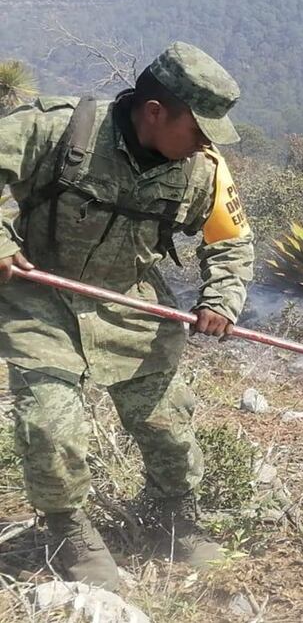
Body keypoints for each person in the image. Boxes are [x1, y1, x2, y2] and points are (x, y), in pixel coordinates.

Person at [0, 41, 254, 590]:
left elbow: (232, 244)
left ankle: (175, 516)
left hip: (129, 306)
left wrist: (219, 299)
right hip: (39, 295)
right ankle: (69, 533)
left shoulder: (202, 170)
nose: (207, 142)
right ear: (156, 112)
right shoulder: (61, 131)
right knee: (48, 423)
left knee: (167, 424)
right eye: (199, 126)